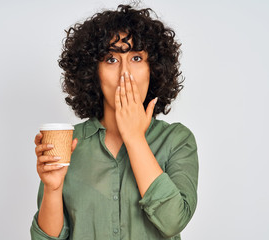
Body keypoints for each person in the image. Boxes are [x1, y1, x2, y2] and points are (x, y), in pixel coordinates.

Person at [30, 4, 199, 240]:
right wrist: (53, 188)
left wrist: (134, 138)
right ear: (93, 71)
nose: (125, 73)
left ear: (154, 69)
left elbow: (173, 221)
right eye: (111, 59)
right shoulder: (69, 143)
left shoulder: (177, 140)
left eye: (137, 58)